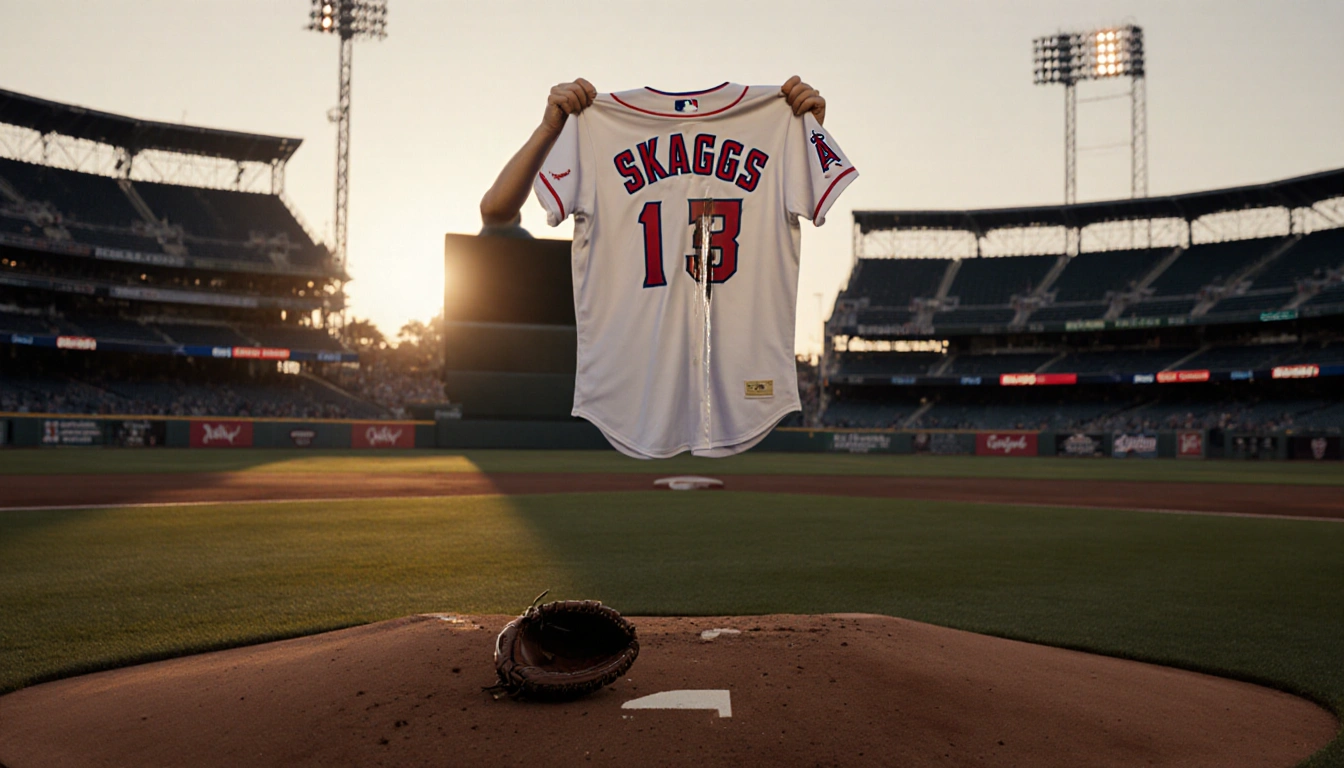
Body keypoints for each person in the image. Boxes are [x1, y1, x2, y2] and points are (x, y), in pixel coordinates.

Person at [478, 76, 829, 235]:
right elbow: (495, 212)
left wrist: (805, 136)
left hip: (727, 370)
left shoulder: (776, 124)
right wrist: (548, 131)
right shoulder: (598, 126)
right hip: (634, 370)